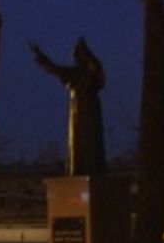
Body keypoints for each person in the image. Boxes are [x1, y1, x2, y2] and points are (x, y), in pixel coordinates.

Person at [30, 36, 108, 176]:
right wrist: (40, 56)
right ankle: (79, 168)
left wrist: (86, 51)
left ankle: (90, 168)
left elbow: (98, 71)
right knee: (77, 140)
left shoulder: (91, 73)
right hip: (76, 108)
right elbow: (54, 68)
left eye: (75, 55)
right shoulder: (74, 72)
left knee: (88, 139)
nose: (73, 58)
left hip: (88, 109)